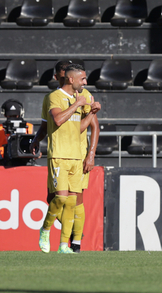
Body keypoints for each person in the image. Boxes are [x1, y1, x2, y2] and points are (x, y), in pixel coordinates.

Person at [31, 60, 100, 253]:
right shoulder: (54, 97)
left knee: (75, 200)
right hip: (60, 154)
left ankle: (72, 244)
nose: (85, 83)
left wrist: (90, 154)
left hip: (78, 156)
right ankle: (50, 231)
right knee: (56, 198)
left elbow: (89, 126)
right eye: (83, 78)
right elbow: (52, 123)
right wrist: (36, 140)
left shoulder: (84, 95)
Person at [0, 99, 34, 166]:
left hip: (24, 158)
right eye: (10, 116)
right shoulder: (1, 128)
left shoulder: (28, 127)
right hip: (3, 160)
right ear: (5, 115)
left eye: (15, 116)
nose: (13, 119)